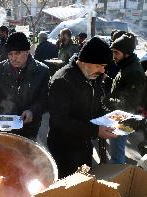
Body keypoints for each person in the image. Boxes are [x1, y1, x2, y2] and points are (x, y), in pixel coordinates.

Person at [47, 37, 117, 178]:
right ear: (84, 62)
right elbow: (59, 120)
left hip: (84, 144)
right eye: (99, 66)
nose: (103, 71)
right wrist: (96, 130)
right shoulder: (62, 80)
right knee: (67, 186)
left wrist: (110, 118)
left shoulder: (93, 77)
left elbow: (96, 103)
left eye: (104, 66)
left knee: (83, 181)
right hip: (64, 148)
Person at [0, 32, 50, 140]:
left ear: (27, 52)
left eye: (17, 53)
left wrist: (32, 111)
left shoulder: (42, 71)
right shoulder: (0, 68)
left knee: (26, 154)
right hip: (3, 123)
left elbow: (45, 98)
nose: (13, 58)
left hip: (28, 126)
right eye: (10, 54)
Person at [107, 33, 146, 164]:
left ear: (127, 53)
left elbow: (129, 104)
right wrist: (107, 81)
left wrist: (105, 100)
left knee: (117, 156)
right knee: (116, 152)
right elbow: (122, 88)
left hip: (125, 120)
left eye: (116, 53)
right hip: (119, 116)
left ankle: (117, 181)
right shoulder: (127, 65)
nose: (113, 57)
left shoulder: (134, 71)